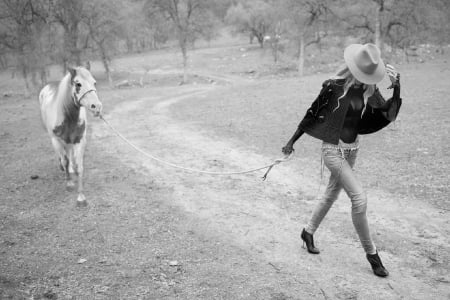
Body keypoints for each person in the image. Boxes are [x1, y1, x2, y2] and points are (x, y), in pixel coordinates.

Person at [282, 43, 401, 277]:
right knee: (360, 199)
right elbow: (312, 113)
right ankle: (373, 255)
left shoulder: (369, 89)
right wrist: (291, 142)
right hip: (332, 150)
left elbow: (389, 112)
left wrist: (397, 87)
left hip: (352, 150)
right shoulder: (334, 87)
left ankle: (308, 232)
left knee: (331, 194)